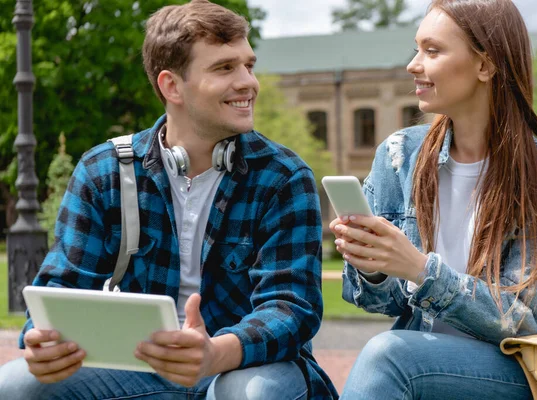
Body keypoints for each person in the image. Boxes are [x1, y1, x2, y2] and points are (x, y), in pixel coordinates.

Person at [0, 1, 337, 399]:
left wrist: (214, 353)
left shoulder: (283, 177)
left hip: (245, 366)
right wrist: (42, 341)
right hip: (139, 370)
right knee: (17, 384)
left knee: (249, 393)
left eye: (248, 65)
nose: (248, 82)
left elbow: (292, 307)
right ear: (171, 85)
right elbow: (60, 288)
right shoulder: (102, 170)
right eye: (225, 68)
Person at [329, 0, 537, 399]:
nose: (413, 65)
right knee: (394, 355)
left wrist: (419, 268)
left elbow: (525, 319)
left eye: (432, 51)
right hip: (427, 353)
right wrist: (374, 268)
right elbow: (381, 303)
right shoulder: (399, 156)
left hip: (520, 367)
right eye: (416, 48)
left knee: (390, 356)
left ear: (486, 65)